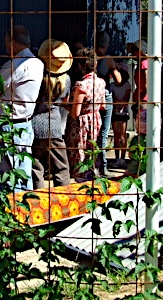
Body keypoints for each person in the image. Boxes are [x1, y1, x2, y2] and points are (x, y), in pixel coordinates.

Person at [0, 25, 44, 191]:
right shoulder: (38, 63)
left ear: (13, 43)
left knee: (8, 178)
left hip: (9, 126)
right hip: (26, 124)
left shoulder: (15, 65)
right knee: (23, 173)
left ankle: (11, 215)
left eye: (7, 43)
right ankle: (25, 214)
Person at [32, 39, 72, 190]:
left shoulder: (38, 77)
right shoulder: (66, 80)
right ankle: (64, 199)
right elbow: (65, 101)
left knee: (36, 168)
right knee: (61, 168)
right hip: (54, 126)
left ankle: (38, 199)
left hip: (35, 125)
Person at [65, 48, 106, 179]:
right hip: (95, 120)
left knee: (80, 152)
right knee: (92, 152)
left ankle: (81, 180)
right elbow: (103, 106)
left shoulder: (81, 86)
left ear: (80, 65)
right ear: (95, 64)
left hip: (81, 125)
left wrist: (66, 105)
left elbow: (75, 113)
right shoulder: (101, 82)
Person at [95, 31, 122, 175]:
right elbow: (118, 80)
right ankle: (102, 167)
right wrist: (115, 68)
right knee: (103, 133)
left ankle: (91, 165)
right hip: (104, 95)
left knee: (92, 132)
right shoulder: (107, 59)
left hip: (92, 95)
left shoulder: (90, 56)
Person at [109, 66, 132, 168]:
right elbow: (111, 99)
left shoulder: (127, 85)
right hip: (114, 112)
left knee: (122, 135)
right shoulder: (111, 85)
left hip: (123, 113)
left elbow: (125, 100)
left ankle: (122, 158)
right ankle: (116, 157)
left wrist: (118, 101)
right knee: (116, 135)